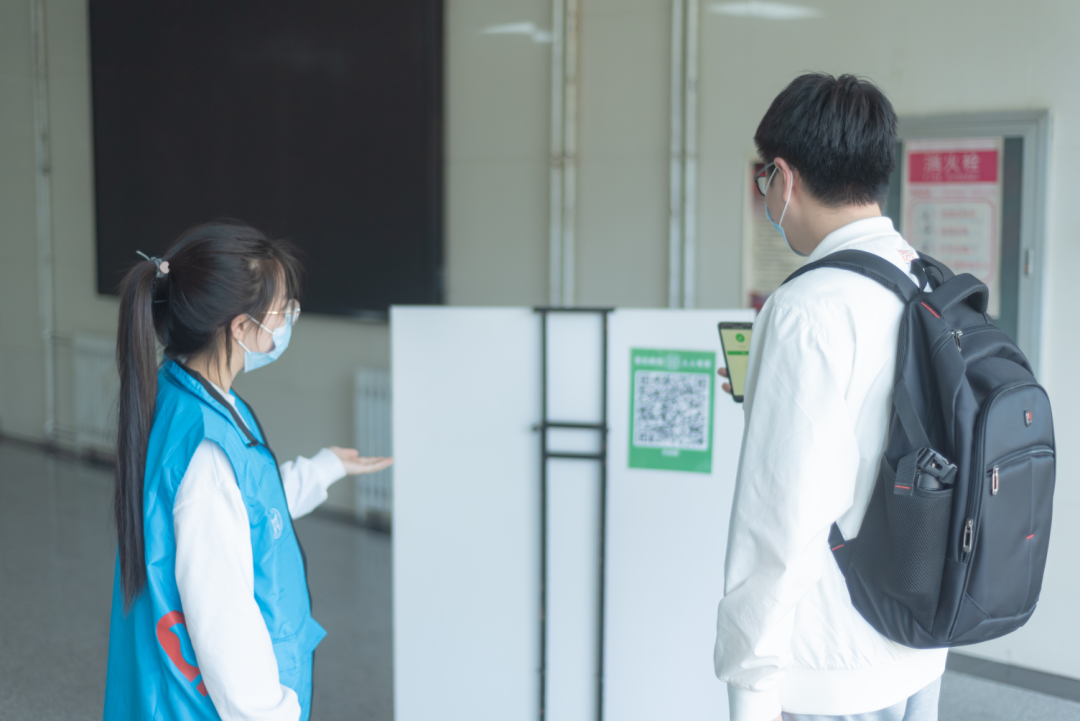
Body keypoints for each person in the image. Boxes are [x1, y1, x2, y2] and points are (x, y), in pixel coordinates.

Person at [713, 74, 947, 721]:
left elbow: (776, 523)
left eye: (765, 178)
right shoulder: (927, 280)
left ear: (784, 178)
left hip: (830, 662)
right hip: (921, 641)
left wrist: (749, 688)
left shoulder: (804, 309)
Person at [103, 221, 393, 720]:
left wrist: (324, 468)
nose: (287, 321)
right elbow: (224, 623)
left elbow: (249, 509)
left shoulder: (188, 394)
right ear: (240, 327)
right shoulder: (206, 452)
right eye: (282, 312)